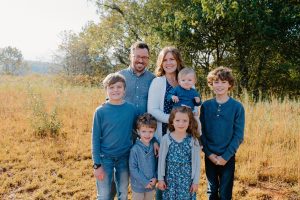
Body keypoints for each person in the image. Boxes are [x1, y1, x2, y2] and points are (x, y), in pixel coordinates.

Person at [200, 66, 245, 200]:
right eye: (216, 82)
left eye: (224, 82)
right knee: (211, 191)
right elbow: (201, 132)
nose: (220, 85)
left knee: (225, 193)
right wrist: (209, 153)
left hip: (228, 157)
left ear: (230, 85)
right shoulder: (206, 106)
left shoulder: (237, 107)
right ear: (211, 84)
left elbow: (238, 135)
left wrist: (225, 156)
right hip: (210, 156)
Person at [91, 73, 137, 200]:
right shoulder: (100, 111)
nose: (115, 90)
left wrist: (154, 141)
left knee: (123, 192)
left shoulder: (131, 109)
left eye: (119, 87)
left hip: (124, 156)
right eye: (111, 87)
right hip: (105, 158)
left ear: (124, 90)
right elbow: (95, 139)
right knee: (104, 194)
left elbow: (140, 129)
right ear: (106, 90)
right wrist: (97, 165)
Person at [157, 106, 201, 200]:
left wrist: (195, 181)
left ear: (189, 123)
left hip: (187, 180)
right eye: (177, 120)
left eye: (185, 121)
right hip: (170, 179)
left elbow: (197, 163)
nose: (181, 123)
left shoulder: (193, 140)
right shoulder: (166, 139)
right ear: (172, 122)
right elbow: (161, 161)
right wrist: (160, 179)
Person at [147, 46, 185, 142]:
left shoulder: (187, 80)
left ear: (178, 61)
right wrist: (175, 120)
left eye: (172, 59)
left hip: (185, 132)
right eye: (165, 60)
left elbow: (194, 107)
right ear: (161, 63)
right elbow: (152, 110)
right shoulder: (157, 82)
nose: (168, 63)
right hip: (164, 133)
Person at [119, 41, 155, 116]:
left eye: (144, 57)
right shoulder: (119, 77)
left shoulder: (153, 79)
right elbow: (109, 101)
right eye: (137, 56)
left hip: (145, 126)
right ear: (130, 57)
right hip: (124, 124)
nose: (141, 60)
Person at [129, 113, 158, 200]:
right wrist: (145, 182)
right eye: (144, 131)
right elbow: (133, 168)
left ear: (154, 131)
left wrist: (155, 177)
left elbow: (158, 163)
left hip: (151, 185)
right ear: (138, 131)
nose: (147, 135)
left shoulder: (155, 146)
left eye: (150, 131)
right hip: (138, 186)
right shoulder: (135, 149)